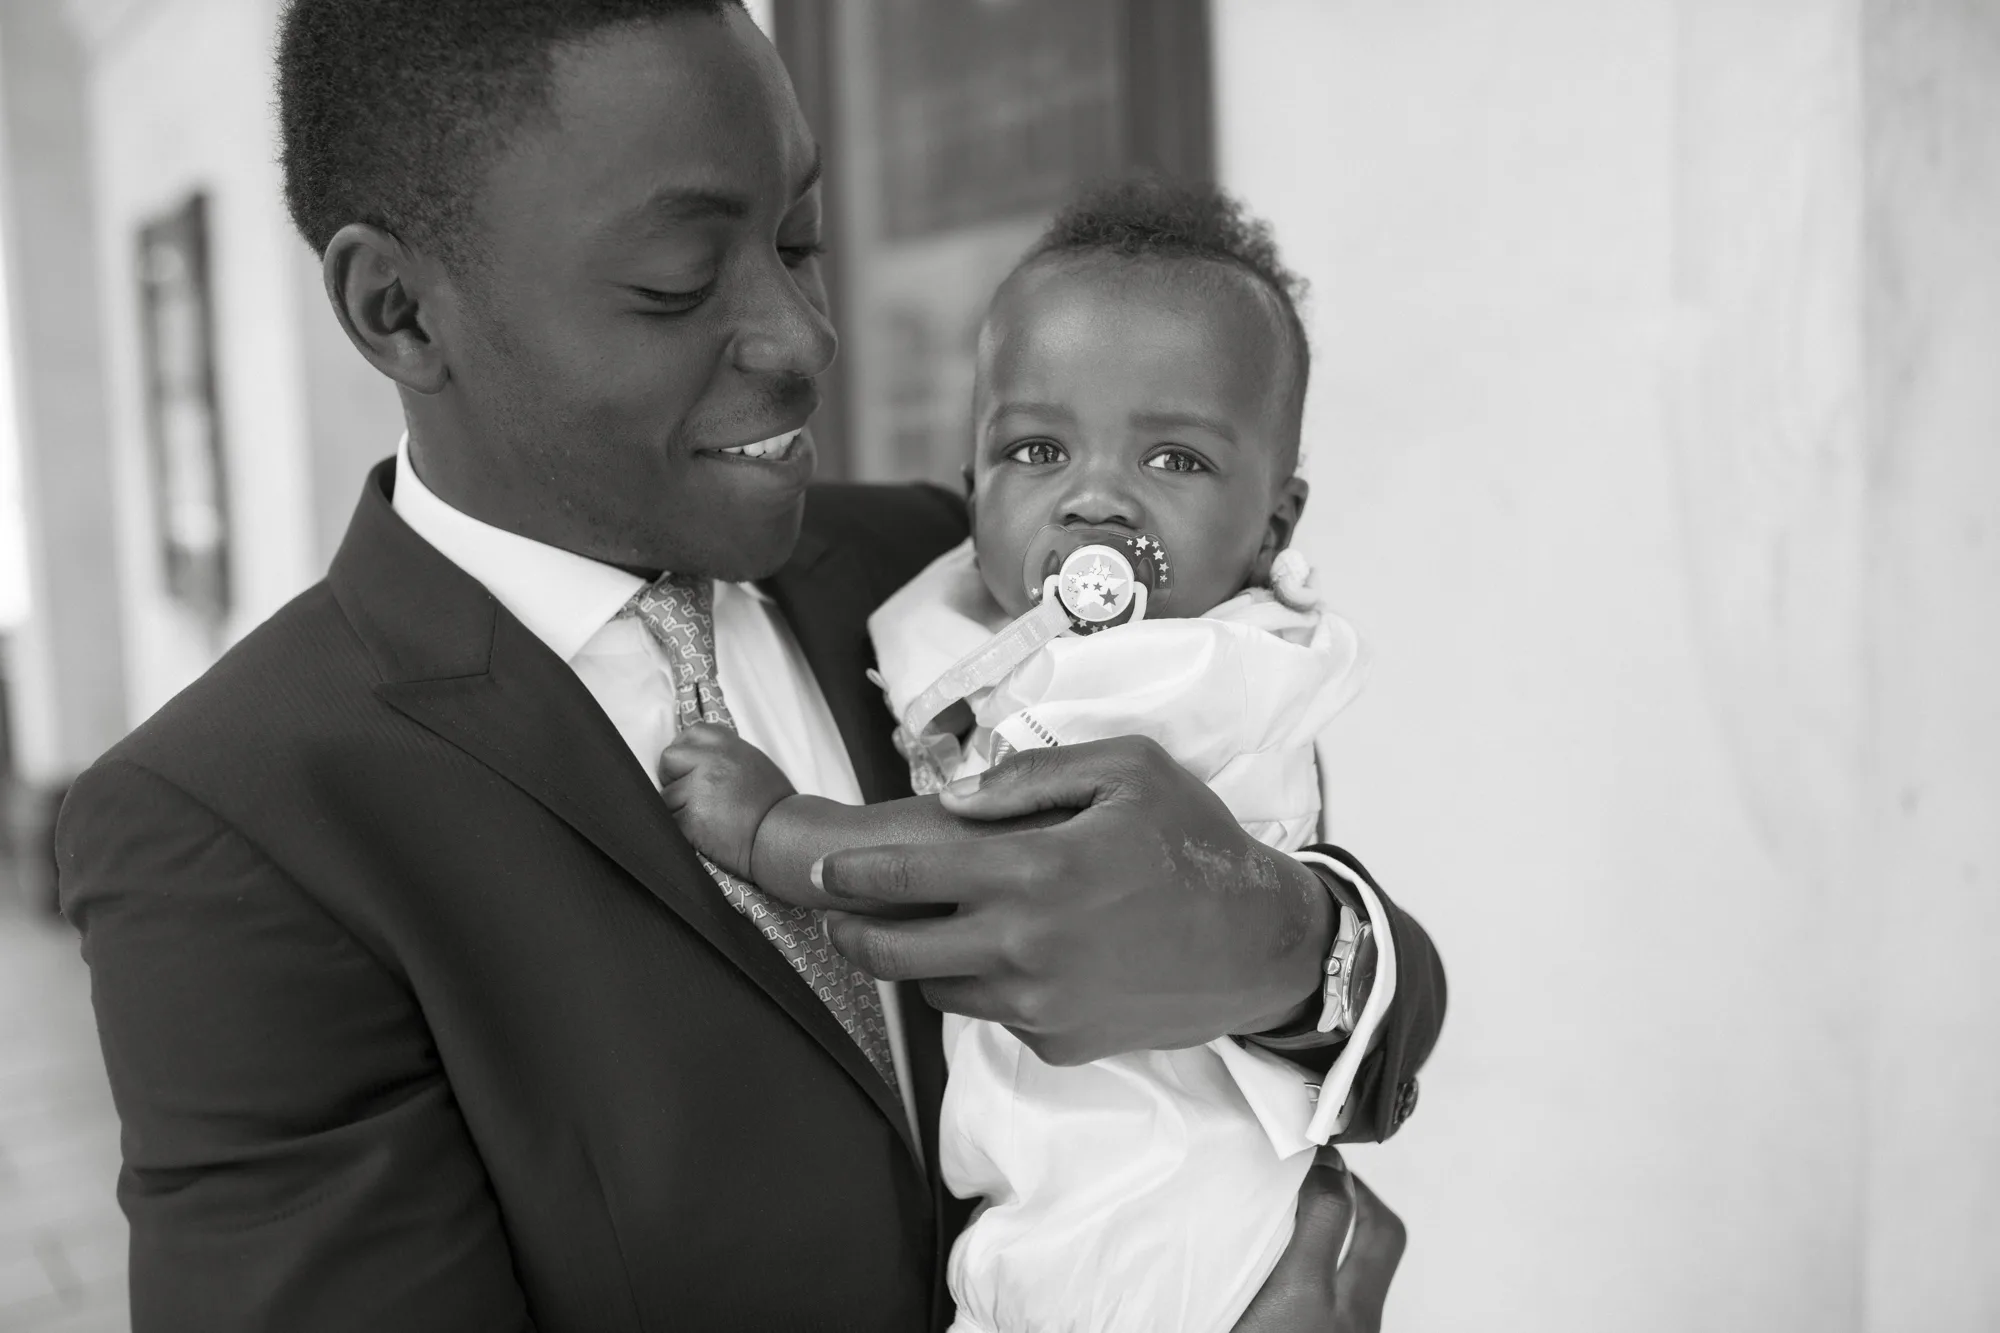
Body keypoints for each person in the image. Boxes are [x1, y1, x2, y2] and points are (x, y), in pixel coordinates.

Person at [55, 3, 1445, 1330]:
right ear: (400, 311)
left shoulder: (948, 577)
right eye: (676, 284)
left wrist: (1279, 942)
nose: (802, 338)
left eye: (803, 237)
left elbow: (1365, 963)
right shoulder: (232, 828)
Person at [661, 176, 1395, 1333]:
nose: (1094, 500)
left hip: (1157, 1216)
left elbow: (997, 841)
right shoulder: (955, 604)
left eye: (1176, 461)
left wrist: (778, 831)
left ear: (1275, 524)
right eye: (1036, 448)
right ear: (970, 492)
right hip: (1056, 1199)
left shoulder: (1190, 668)